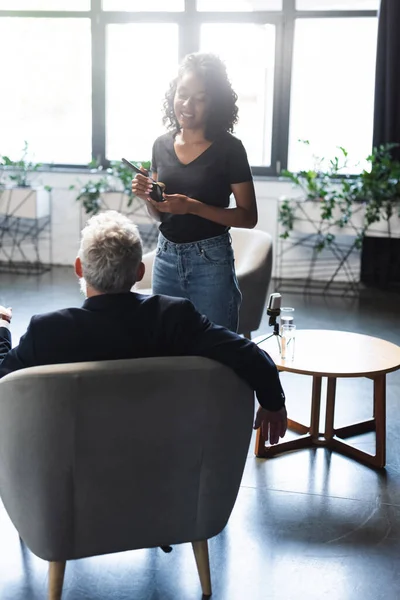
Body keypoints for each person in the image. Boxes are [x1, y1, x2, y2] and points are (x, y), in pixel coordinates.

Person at [0, 211, 286, 444]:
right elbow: (247, 354)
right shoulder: (174, 318)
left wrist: (2, 328)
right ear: (139, 271)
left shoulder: (48, 331)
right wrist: (273, 402)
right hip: (163, 458)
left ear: (79, 268)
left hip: (71, 460)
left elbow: (4, 381)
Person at [132, 53, 257, 333]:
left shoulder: (230, 149)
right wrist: (148, 197)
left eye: (199, 98)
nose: (187, 105)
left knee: (217, 353)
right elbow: (161, 214)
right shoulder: (160, 145)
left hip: (211, 262)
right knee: (165, 347)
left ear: (215, 102)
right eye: (182, 94)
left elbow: (248, 216)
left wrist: (193, 207)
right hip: (165, 258)